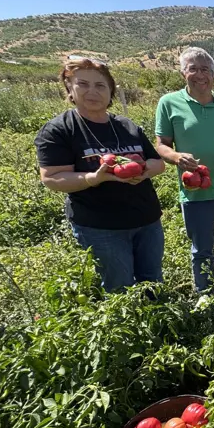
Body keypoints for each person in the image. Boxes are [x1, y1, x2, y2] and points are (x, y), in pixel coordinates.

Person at [35, 57, 166, 293]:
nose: (92, 92)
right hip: (101, 227)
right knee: (120, 287)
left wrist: (144, 172)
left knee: (152, 279)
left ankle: (155, 324)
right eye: (83, 84)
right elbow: (52, 178)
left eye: (100, 85)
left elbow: (158, 162)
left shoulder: (127, 126)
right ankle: (127, 328)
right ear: (70, 89)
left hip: (147, 220)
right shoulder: (60, 130)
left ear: (110, 91)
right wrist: (93, 178)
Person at [155, 47, 214, 300]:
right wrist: (176, 157)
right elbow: (161, 144)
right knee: (201, 249)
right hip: (195, 191)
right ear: (183, 73)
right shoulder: (169, 103)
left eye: (205, 69)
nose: (200, 75)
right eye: (193, 68)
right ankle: (206, 293)